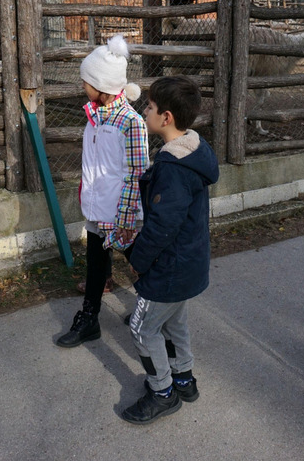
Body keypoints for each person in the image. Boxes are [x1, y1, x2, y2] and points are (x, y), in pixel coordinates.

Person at [119, 76, 219, 424]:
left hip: (168, 266)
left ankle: (162, 391)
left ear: (166, 118)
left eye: (148, 107)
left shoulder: (172, 169)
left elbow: (163, 226)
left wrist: (139, 261)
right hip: (187, 263)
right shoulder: (192, 152)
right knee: (175, 323)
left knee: (141, 328)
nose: (143, 110)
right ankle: (184, 378)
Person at [54, 34, 149, 348]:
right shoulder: (95, 117)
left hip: (121, 214)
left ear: (103, 85)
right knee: (95, 265)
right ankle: (90, 318)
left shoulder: (131, 123)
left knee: (140, 263)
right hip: (98, 211)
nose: (82, 85)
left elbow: (136, 174)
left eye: (86, 81)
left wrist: (123, 218)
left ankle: (152, 312)